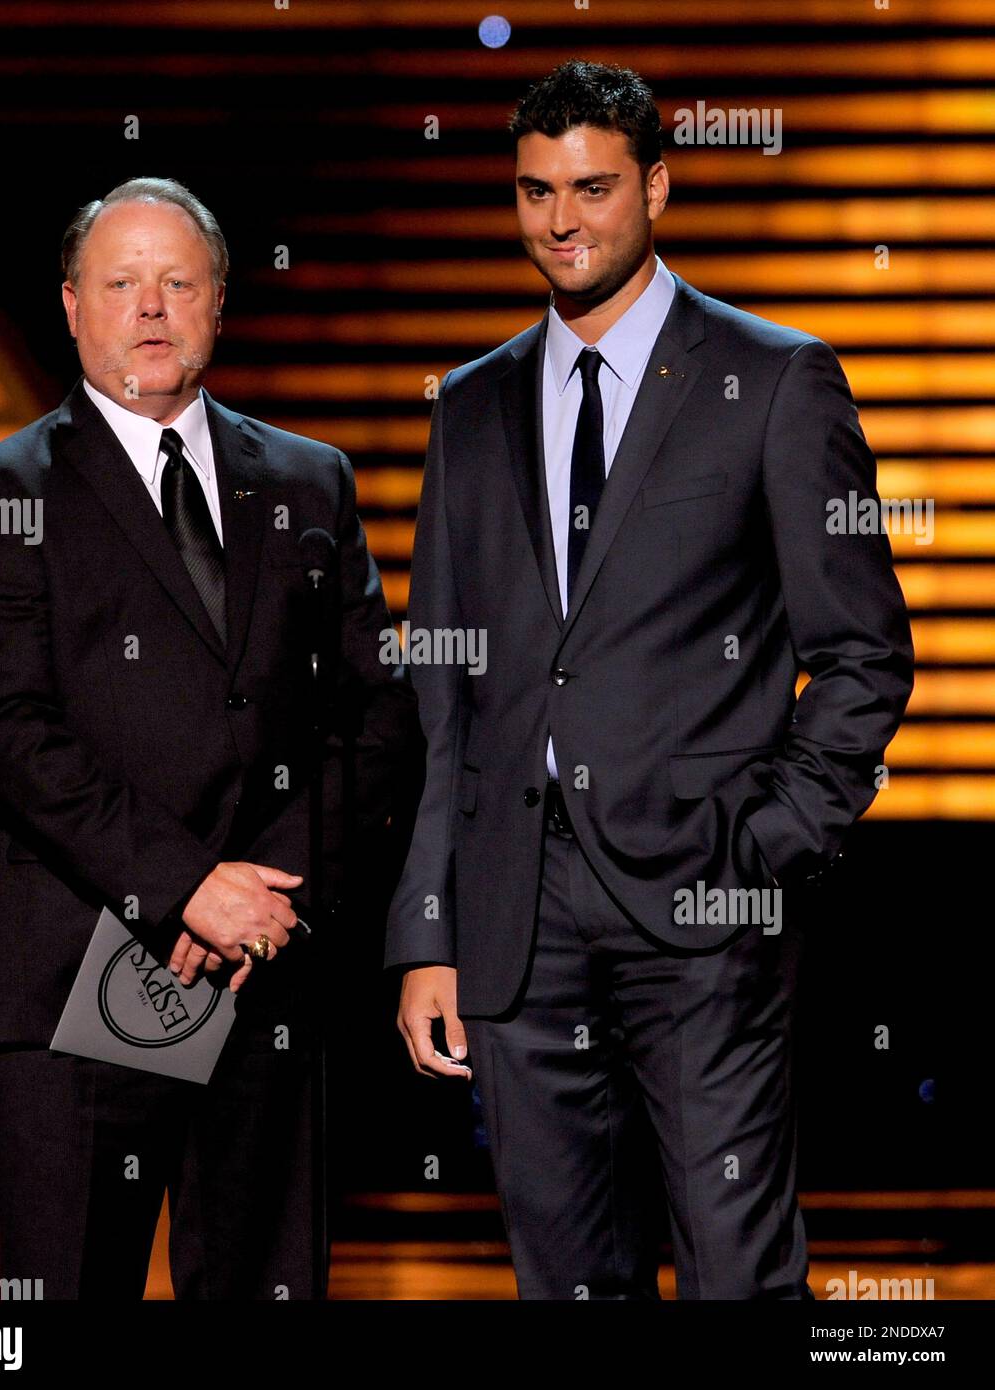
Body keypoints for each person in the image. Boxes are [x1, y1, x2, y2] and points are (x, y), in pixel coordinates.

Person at [387, 62, 914, 1300]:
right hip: (517, 912)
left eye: (591, 188)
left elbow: (861, 652)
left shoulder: (773, 380)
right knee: (566, 1276)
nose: (560, 221)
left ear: (655, 188)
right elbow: (442, 695)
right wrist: (427, 926)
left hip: (704, 899)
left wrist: (765, 841)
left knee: (735, 1271)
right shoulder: (469, 407)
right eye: (533, 192)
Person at [0, 176, 414, 1299]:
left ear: (217, 304)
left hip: (268, 971)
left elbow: (378, 715)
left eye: (177, 283)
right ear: (69, 305)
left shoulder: (308, 480)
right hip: (77, 972)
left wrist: (266, 897)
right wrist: (185, 885)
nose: (149, 308)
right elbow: (11, 734)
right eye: (120, 283)